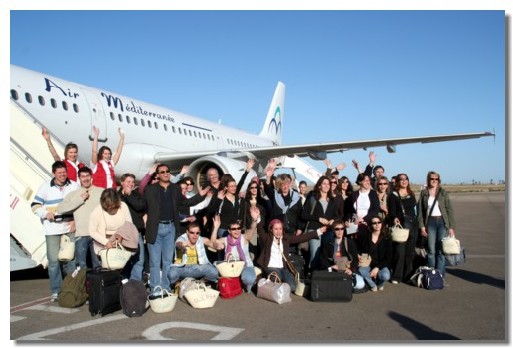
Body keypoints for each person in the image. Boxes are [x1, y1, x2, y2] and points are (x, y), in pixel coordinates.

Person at [144, 163, 210, 295]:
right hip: (155, 228)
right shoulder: (150, 189)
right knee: (155, 262)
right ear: (158, 175)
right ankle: (155, 289)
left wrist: (200, 195)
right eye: (162, 172)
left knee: (168, 261)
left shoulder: (175, 188)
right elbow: (141, 194)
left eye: (167, 171)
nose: (165, 173)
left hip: (170, 228)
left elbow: (185, 203)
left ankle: (166, 288)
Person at [31, 161, 79, 302]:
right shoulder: (45, 187)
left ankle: (72, 288)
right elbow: (35, 206)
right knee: (53, 261)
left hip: (69, 228)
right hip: (52, 229)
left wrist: (75, 220)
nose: (63, 175)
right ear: (54, 173)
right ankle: (56, 290)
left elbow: (81, 203)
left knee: (70, 260)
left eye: (64, 172)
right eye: (59, 173)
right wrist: (45, 214)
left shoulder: (74, 185)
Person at [256, 219, 326, 293]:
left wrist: (318, 232)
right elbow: (260, 230)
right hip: (271, 267)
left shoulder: (286, 238)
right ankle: (266, 278)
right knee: (276, 279)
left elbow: (302, 238)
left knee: (292, 287)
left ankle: (280, 284)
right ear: (271, 230)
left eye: (280, 229)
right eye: (275, 229)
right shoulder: (267, 238)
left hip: (284, 268)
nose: (278, 231)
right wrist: (257, 219)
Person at [57, 166, 103, 270]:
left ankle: (98, 286)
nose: (85, 179)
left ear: (91, 177)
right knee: (81, 266)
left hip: (97, 234)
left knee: (98, 266)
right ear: (79, 178)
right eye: (83, 176)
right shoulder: (74, 194)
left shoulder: (101, 191)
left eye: (87, 176)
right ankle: (82, 286)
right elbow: (60, 209)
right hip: (81, 234)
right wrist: (80, 199)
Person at [212, 206, 260, 292]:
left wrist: (254, 220)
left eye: (238, 228)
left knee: (248, 279)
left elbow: (252, 228)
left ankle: (248, 279)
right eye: (234, 229)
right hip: (230, 267)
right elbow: (212, 243)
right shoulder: (225, 240)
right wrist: (215, 228)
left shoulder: (244, 237)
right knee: (215, 275)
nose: (237, 231)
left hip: (246, 266)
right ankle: (238, 281)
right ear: (229, 231)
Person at [417, 171, 456, 277]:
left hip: (442, 222)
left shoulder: (443, 192)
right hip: (430, 222)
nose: (434, 181)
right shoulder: (424, 193)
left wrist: (451, 227)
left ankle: (440, 275)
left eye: (436, 179)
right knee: (431, 251)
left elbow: (449, 210)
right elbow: (420, 211)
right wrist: (421, 226)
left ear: (439, 180)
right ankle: (431, 274)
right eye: (432, 179)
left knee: (441, 251)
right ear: (428, 180)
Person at [301, 176, 339, 270]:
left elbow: (337, 215)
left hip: (328, 231)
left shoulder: (333, 201)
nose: (327, 186)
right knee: (315, 254)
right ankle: (312, 274)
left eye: (328, 184)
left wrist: (333, 220)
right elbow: (303, 215)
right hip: (315, 230)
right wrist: (319, 219)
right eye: (324, 183)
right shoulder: (312, 199)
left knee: (326, 254)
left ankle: (323, 275)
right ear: (319, 186)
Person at [167, 221, 219, 288]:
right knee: (171, 273)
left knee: (214, 272)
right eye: (192, 233)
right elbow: (178, 244)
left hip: (197, 268)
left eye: (197, 233)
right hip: (183, 268)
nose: (195, 236)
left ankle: (200, 282)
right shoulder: (182, 238)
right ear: (187, 232)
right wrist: (182, 245)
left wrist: (215, 229)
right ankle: (178, 284)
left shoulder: (201, 239)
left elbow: (212, 244)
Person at [318, 219, 365, 291]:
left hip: (346, 270)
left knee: (360, 284)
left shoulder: (350, 242)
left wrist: (351, 270)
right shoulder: (328, 244)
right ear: (333, 230)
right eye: (337, 229)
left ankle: (341, 286)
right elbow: (323, 260)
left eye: (342, 229)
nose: (340, 231)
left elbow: (355, 259)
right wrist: (331, 267)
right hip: (334, 271)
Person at [388, 173, 418, 284]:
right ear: (397, 182)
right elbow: (392, 211)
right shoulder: (393, 195)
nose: (404, 181)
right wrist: (395, 218)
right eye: (401, 179)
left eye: (406, 179)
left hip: (413, 225)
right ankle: (397, 276)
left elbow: (414, 210)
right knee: (399, 252)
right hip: (402, 225)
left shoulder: (411, 194)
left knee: (410, 252)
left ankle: (408, 275)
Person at [118, 173, 147, 281]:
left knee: (138, 260)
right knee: (123, 259)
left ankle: (135, 285)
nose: (131, 184)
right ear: (122, 183)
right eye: (128, 181)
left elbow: (140, 206)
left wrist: (129, 195)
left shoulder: (137, 195)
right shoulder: (117, 196)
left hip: (136, 232)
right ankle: (124, 281)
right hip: (121, 233)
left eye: (132, 182)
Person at [89, 188, 133, 255]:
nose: (110, 208)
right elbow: (92, 231)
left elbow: (129, 225)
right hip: (103, 245)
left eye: (113, 205)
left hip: (121, 244)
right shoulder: (96, 211)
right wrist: (106, 242)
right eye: (108, 206)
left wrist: (122, 236)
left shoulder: (123, 206)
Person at [357, 215, 393, 291]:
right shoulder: (366, 236)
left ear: (381, 224)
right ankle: (372, 284)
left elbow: (389, 257)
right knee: (361, 271)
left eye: (379, 222)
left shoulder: (386, 237)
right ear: (371, 225)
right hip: (368, 263)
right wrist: (358, 255)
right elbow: (358, 248)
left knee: (386, 276)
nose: (377, 224)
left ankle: (380, 283)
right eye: (374, 223)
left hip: (380, 264)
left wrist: (377, 268)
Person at [343, 173, 380, 240]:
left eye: (368, 180)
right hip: (354, 225)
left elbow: (375, 210)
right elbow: (348, 210)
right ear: (360, 182)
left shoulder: (373, 194)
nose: (368, 182)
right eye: (365, 180)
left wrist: (364, 219)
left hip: (368, 224)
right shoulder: (353, 195)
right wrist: (347, 220)